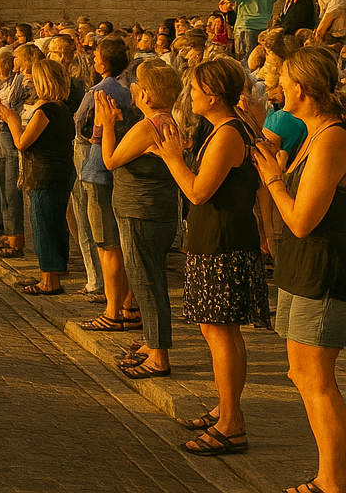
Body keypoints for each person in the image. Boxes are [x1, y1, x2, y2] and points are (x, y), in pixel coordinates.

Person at [150, 57, 269, 456]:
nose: (191, 96)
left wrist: (172, 158)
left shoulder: (228, 133)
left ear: (214, 95)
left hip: (224, 243)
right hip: (216, 239)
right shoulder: (224, 127)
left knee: (221, 332)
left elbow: (199, 191)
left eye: (196, 89)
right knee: (216, 331)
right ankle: (225, 407)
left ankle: (232, 423)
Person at [251, 46, 346, 493]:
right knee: (299, 373)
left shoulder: (332, 137)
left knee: (317, 378)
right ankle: (330, 474)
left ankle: (333, 480)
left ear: (302, 89)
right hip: (300, 266)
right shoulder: (312, 131)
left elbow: (303, 219)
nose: (275, 90)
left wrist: (273, 178)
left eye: (282, 83)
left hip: (322, 269)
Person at [98, 59, 182, 380]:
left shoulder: (150, 126)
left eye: (135, 85)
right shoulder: (166, 120)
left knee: (147, 281)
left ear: (144, 94)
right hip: (154, 210)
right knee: (150, 278)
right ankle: (151, 342)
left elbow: (110, 160)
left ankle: (159, 355)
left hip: (141, 211)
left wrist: (107, 122)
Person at [0, 57, 75, 296]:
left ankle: (50, 279)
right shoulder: (63, 108)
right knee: (56, 223)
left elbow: (22, 143)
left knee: (43, 225)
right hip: (60, 170)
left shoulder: (46, 110)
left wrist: (11, 119)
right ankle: (52, 272)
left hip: (44, 173)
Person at [74, 37, 138, 329]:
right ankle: (129, 303)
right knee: (122, 242)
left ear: (103, 61)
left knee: (107, 244)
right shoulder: (129, 88)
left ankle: (113, 311)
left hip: (99, 168)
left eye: (96, 55)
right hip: (120, 167)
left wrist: (94, 135)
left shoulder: (102, 89)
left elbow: (80, 121)